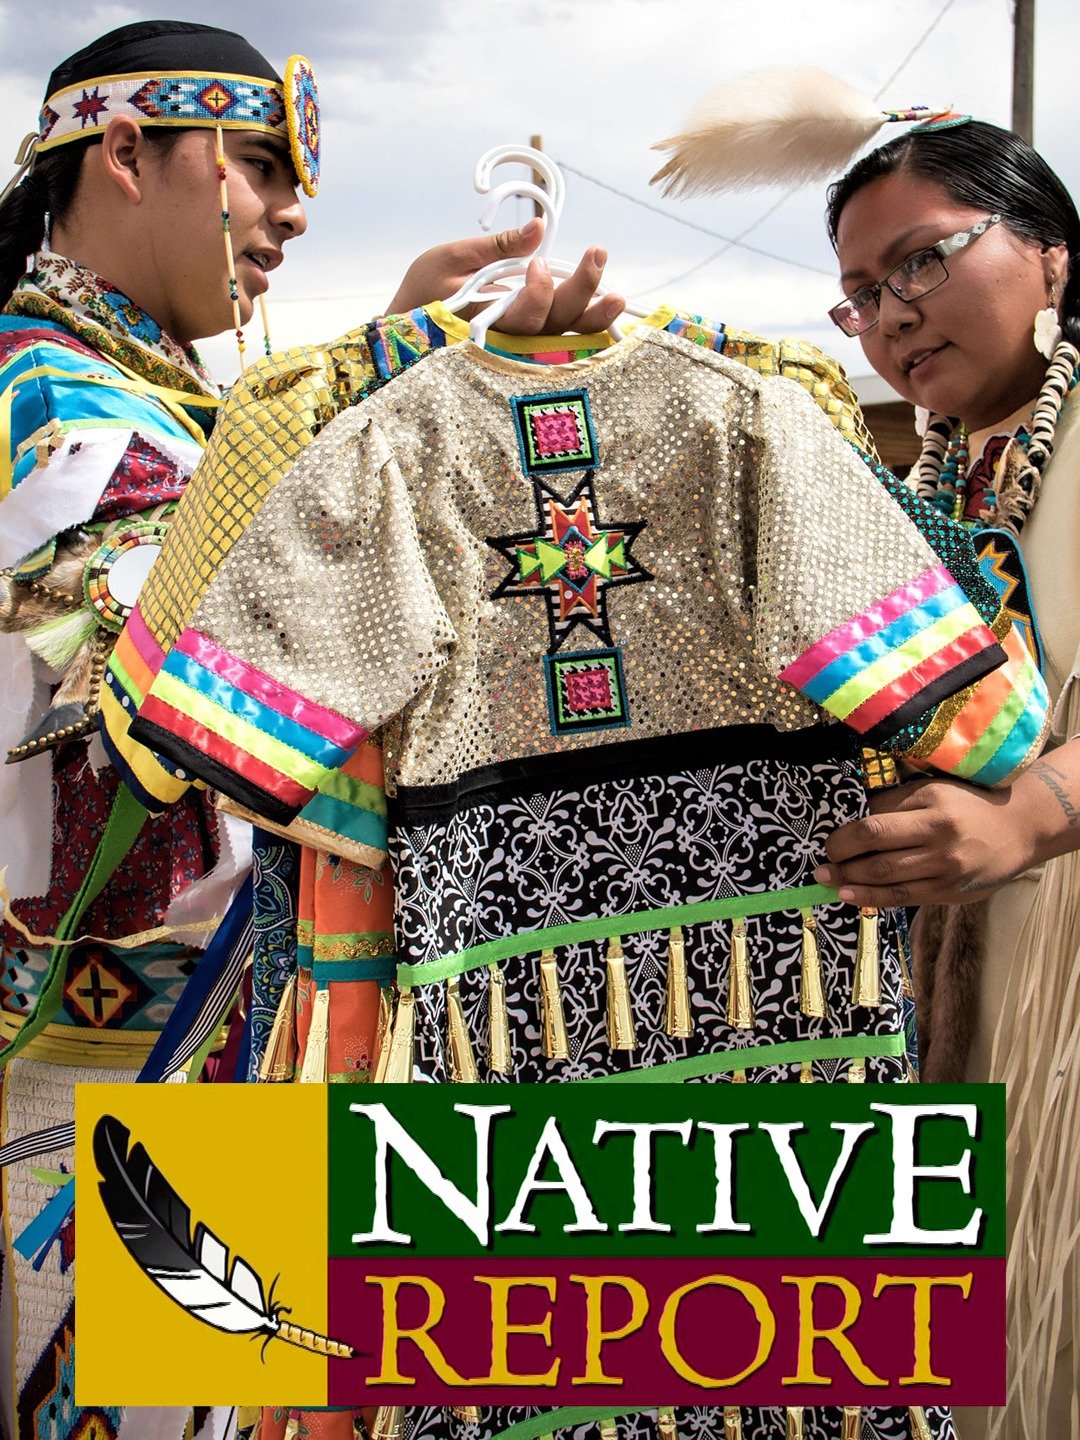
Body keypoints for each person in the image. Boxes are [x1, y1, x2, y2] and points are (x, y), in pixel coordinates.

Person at [0, 20, 618, 1440]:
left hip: (209, 1018)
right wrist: (385, 374)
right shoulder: (44, 392)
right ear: (127, 152)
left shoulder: (141, 384)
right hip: (105, 1036)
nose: (289, 214)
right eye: (263, 169)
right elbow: (169, 661)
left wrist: (382, 370)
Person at [812, 121, 1080, 1440]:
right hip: (956, 997)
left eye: (921, 261)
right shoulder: (919, 483)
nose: (892, 316)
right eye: (862, 296)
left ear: (1051, 253)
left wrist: (1031, 813)